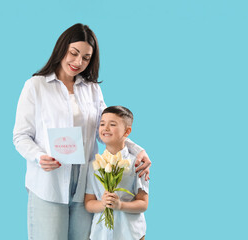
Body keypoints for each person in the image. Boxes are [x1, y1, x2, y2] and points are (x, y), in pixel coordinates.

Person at [13, 23, 151, 240]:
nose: (78, 62)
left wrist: (138, 150)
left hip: (86, 186)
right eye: (74, 53)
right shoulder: (35, 86)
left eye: (86, 58)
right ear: (62, 49)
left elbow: (104, 130)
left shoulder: (92, 88)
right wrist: (39, 157)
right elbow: (21, 136)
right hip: (49, 183)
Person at [85, 106, 149, 240]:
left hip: (131, 234)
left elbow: (143, 203)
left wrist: (120, 205)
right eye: (102, 124)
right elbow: (89, 203)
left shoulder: (137, 164)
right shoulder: (94, 165)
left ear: (127, 131)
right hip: (100, 234)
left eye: (112, 124)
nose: (105, 128)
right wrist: (103, 204)